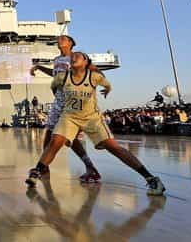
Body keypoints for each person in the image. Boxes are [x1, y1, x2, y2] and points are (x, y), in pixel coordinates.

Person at [26, 52, 166, 196]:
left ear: (86, 62)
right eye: (72, 56)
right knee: (55, 141)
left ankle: (151, 178)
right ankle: (37, 171)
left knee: (113, 147)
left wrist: (106, 89)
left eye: (78, 56)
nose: (74, 57)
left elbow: (106, 85)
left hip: (91, 117)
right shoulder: (62, 77)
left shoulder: (94, 76)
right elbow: (54, 86)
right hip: (70, 116)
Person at [30, 35, 101, 183]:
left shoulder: (76, 58)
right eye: (59, 39)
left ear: (71, 43)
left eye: (64, 38)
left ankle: (89, 167)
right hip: (58, 100)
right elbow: (54, 73)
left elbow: (95, 72)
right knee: (49, 133)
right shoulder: (57, 60)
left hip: (71, 101)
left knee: (69, 138)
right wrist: (39, 67)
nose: (60, 40)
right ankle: (44, 167)